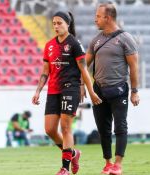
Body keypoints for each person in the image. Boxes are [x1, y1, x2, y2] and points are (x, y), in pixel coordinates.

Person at [32, 11, 102, 175]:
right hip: (53, 91)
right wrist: (37, 91)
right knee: (49, 130)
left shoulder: (75, 44)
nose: (56, 26)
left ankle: (65, 168)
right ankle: (73, 153)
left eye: (59, 23)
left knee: (65, 128)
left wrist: (90, 91)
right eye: (54, 23)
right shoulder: (49, 45)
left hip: (70, 88)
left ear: (67, 24)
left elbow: (84, 69)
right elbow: (45, 72)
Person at [86, 3, 140, 175]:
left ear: (107, 17)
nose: (95, 19)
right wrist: (81, 84)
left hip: (119, 90)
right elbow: (83, 65)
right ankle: (108, 163)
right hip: (98, 91)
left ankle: (118, 164)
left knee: (120, 127)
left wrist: (135, 91)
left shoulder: (126, 38)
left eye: (98, 16)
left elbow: (134, 66)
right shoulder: (96, 40)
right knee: (103, 129)